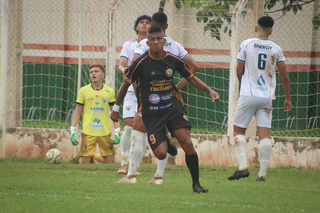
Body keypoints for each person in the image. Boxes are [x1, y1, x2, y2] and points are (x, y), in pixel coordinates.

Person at [111, 26, 220, 193]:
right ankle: (166, 141)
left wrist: (210, 90)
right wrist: (116, 109)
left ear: (164, 40)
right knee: (161, 154)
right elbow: (125, 85)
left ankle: (196, 184)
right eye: (152, 40)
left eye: (158, 39)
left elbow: (191, 78)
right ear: (147, 43)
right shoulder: (140, 62)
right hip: (151, 113)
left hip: (172, 108)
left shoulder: (173, 60)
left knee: (187, 142)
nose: (156, 42)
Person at [117, 12, 200, 185]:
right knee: (162, 135)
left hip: (144, 97)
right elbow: (193, 67)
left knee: (137, 133)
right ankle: (158, 177)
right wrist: (175, 87)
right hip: (166, 96)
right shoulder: (175, 45)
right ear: (167, 26)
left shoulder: (143, 44)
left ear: (152, 26)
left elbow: (133, 66)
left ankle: (131, 175)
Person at [228, 16, 292, 181]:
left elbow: (238, 70)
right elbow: (285, 77)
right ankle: (262, 174)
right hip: (266, 98)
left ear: (256, 28)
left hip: (248, 95)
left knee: (238, 131)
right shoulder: (276, 49)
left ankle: (242, 167)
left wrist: (244, 86)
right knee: (265, 135)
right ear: (271, 31)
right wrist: (288, 98)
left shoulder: (247, 44)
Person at [116, 15, 152, 174]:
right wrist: (128, 72)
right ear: (136, 27)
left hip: (149, 91)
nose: (144, 25)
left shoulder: (155, 44)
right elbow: (121, 65)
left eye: (147, 22)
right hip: (131, 90)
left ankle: (135, 165)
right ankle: (124, 163)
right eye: (141, 23)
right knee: (129, 127)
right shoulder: (128, 44)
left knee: (142, 130)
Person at [70, 64, 118, 164]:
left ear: (102, 75)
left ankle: (93, 158)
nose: (93, 74)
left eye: (96, 71)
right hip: (88, 132)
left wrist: (117, 131)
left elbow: (115, 113)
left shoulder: (109, 91)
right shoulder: (83, 91)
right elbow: (77, 112)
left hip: (104, 132)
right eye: (91, 72)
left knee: (110, 164)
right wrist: (72, 130)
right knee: (84, 165)